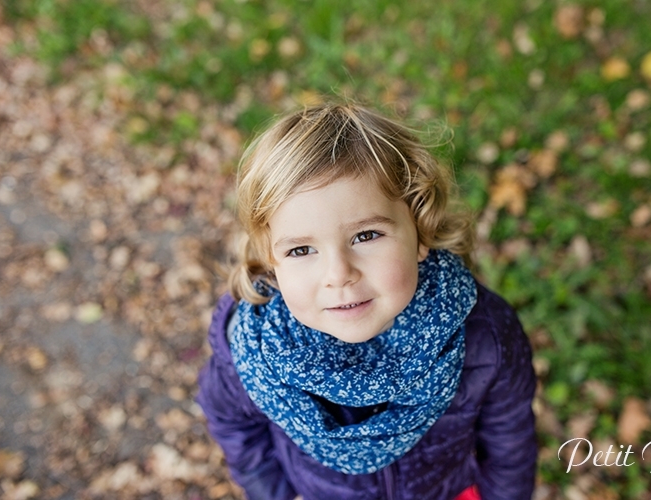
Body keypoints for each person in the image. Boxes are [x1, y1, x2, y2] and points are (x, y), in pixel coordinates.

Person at [197, 103, 537, 500]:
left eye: (366, 236)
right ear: (271, 262)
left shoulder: (483, 335)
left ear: (420, 231)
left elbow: (510, 440)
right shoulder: (255, 353)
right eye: (302, 250)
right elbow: (232, 423)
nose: (339, 274)